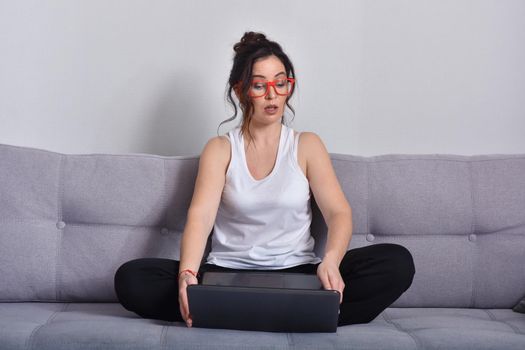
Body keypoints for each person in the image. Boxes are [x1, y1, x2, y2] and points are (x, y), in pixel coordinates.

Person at [114, 31, 415, 328]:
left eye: (280, 83)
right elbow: (200, 217)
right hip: (226, 276)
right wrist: (187, 275)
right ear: (240, 91)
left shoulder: (307, 145)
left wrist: (331, 261)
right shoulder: (220, 149)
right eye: (260, 86)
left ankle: (236, 314)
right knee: (132, 279)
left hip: (299, 275)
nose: (272, 94)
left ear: (288, 86)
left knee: (396, 262)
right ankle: (300, 316)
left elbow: (339, 213)